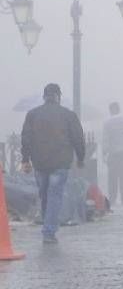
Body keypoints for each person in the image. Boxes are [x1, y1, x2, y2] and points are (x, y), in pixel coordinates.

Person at [20, 83, 86, 244]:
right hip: (60, 162)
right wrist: (80, 158)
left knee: (44, 195)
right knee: (55, 196)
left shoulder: (32, 114)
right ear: (58, 97)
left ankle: (47, 225)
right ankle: (49, 231)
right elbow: (78, 138)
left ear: (44, 96)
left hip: (40, 162)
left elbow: (26, 138)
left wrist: (25, 159)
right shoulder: (68, 115)